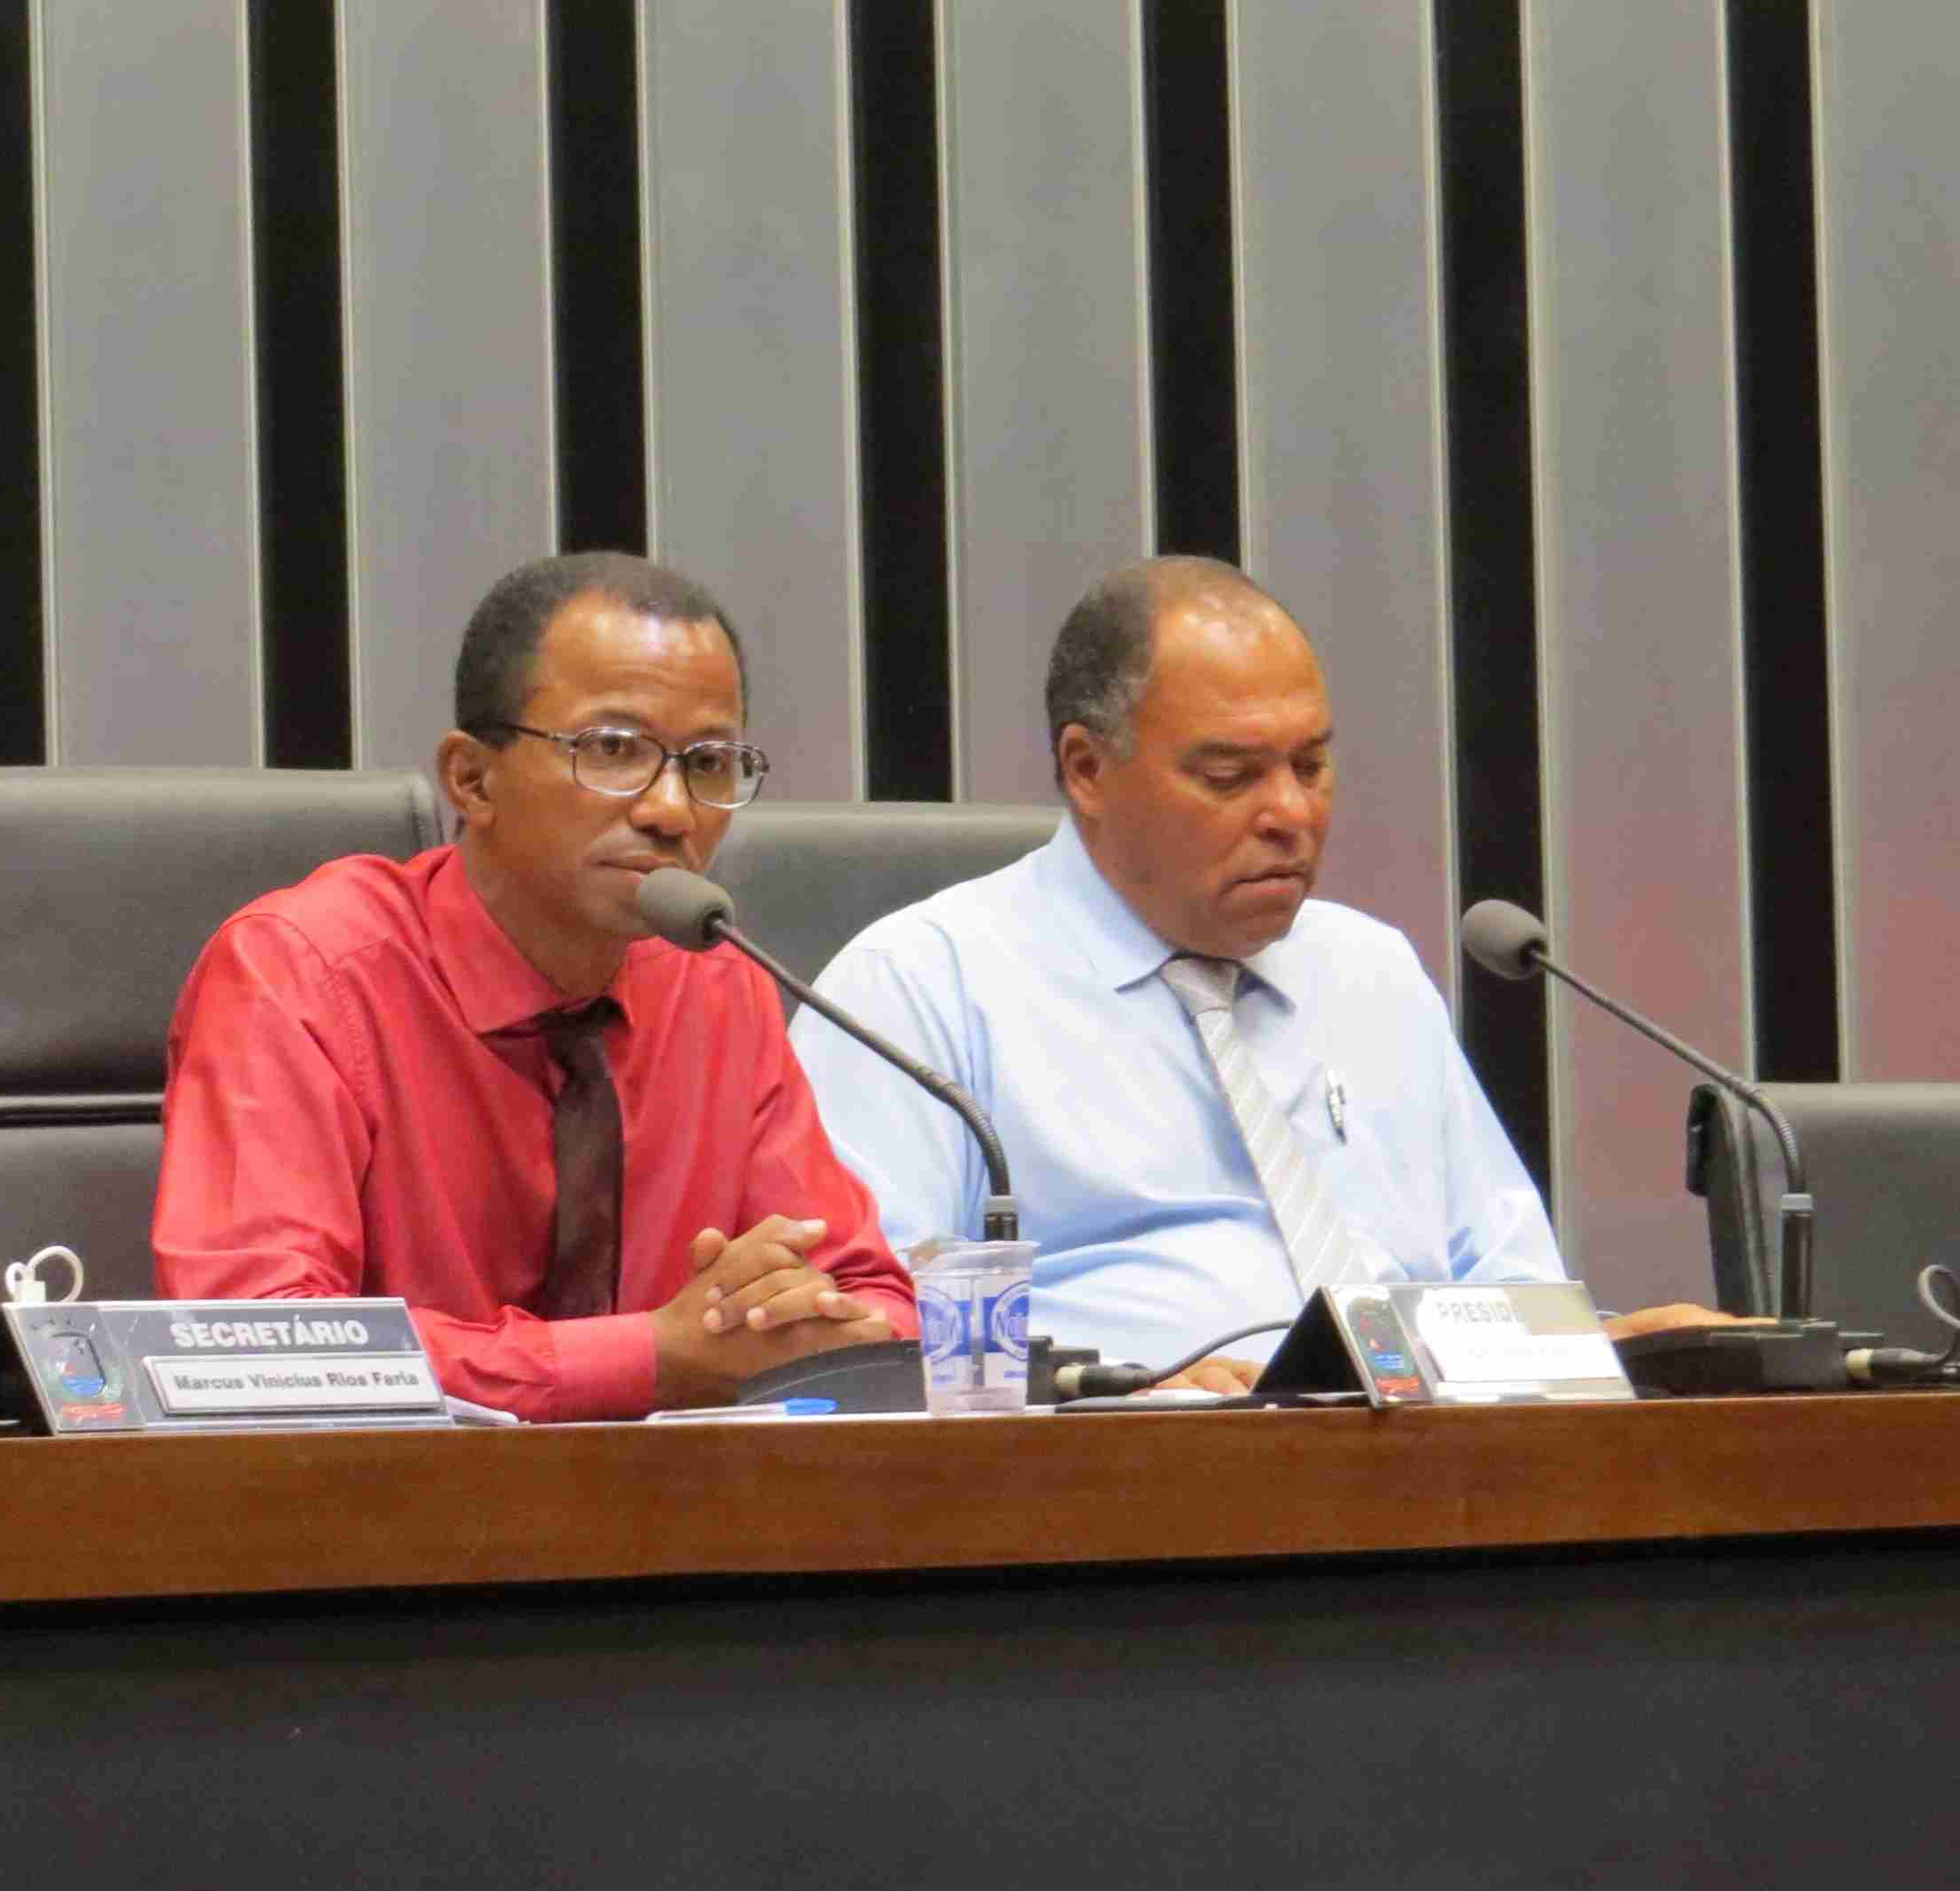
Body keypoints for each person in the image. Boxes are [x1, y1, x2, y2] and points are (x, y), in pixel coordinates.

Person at [790, 556, 1718, 1389]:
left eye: (1310, 766)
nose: (1290, 814)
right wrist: (1104, 1396)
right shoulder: (919, 990)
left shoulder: (1371, 971)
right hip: (1122, 1483)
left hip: (1431, 1467)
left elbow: (1502, 1279)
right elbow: (869, 1346)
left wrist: (1612, 1344)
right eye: (1230, 777)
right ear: (1086, 768)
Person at [153, 551, 913, 1420]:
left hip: (679, 1500)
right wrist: (644, 1360)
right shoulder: (299, 974)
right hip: (374, 1500)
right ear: (472, 780)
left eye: (708, 762)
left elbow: (874, 1304)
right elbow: (250, 1349)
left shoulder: (717, 982)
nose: (671, 810)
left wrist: (795, 1326)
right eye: (613, 750)